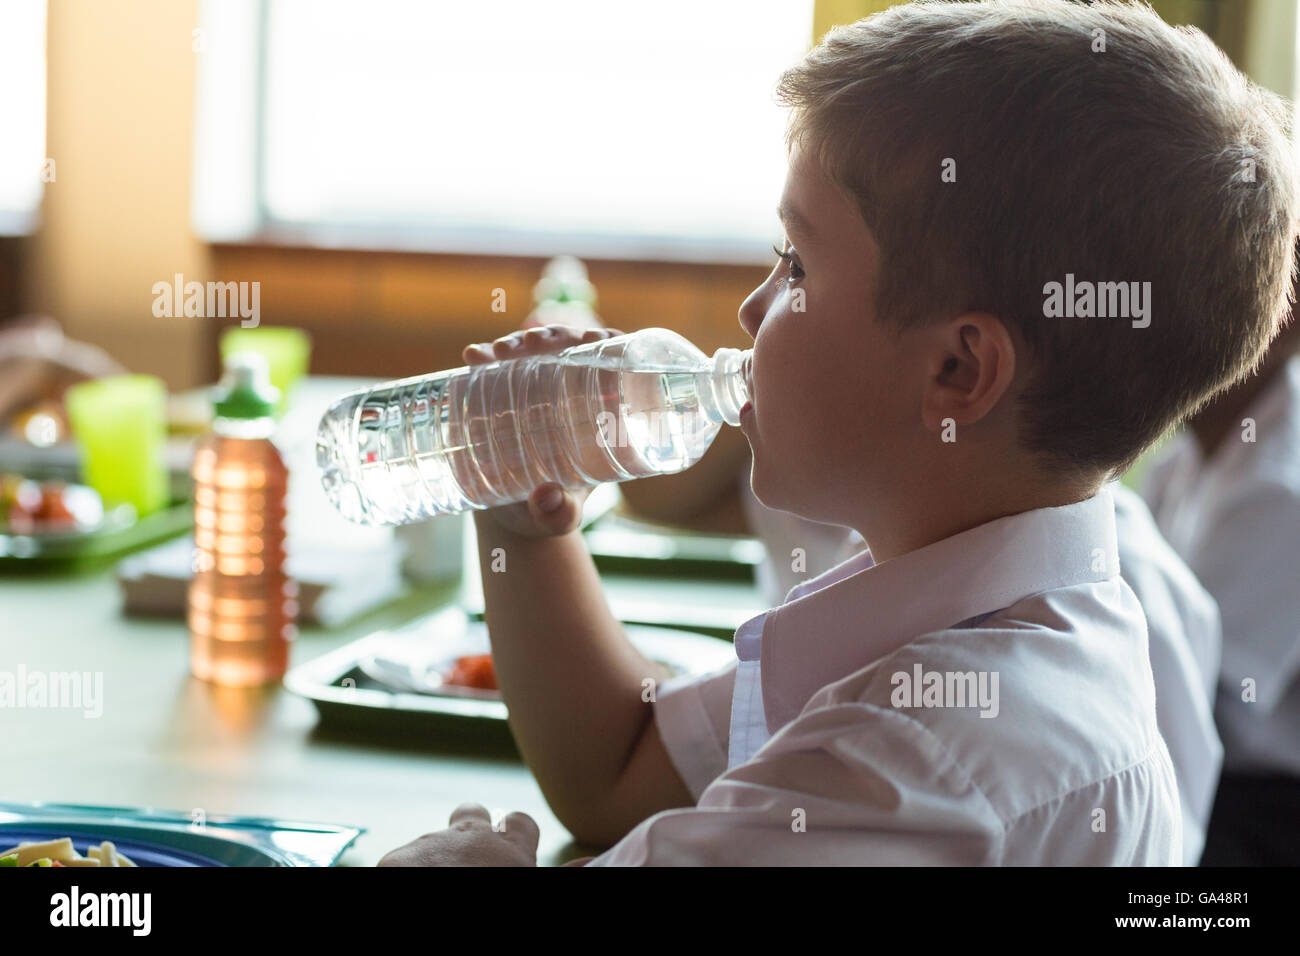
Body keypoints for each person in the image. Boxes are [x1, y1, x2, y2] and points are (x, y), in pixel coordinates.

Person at [378, 0, 1296, 866]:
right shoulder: (955, 614)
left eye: (795, 263)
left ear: (958, 373)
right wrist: (524, 521)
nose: (750, 307)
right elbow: (620, 771)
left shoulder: (916, 761)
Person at [1141, 295, 1300, 866]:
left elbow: (1194, 703)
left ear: (1282, 325)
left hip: (1257, 807)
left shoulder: (1281, 488)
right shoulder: (1183, 454)